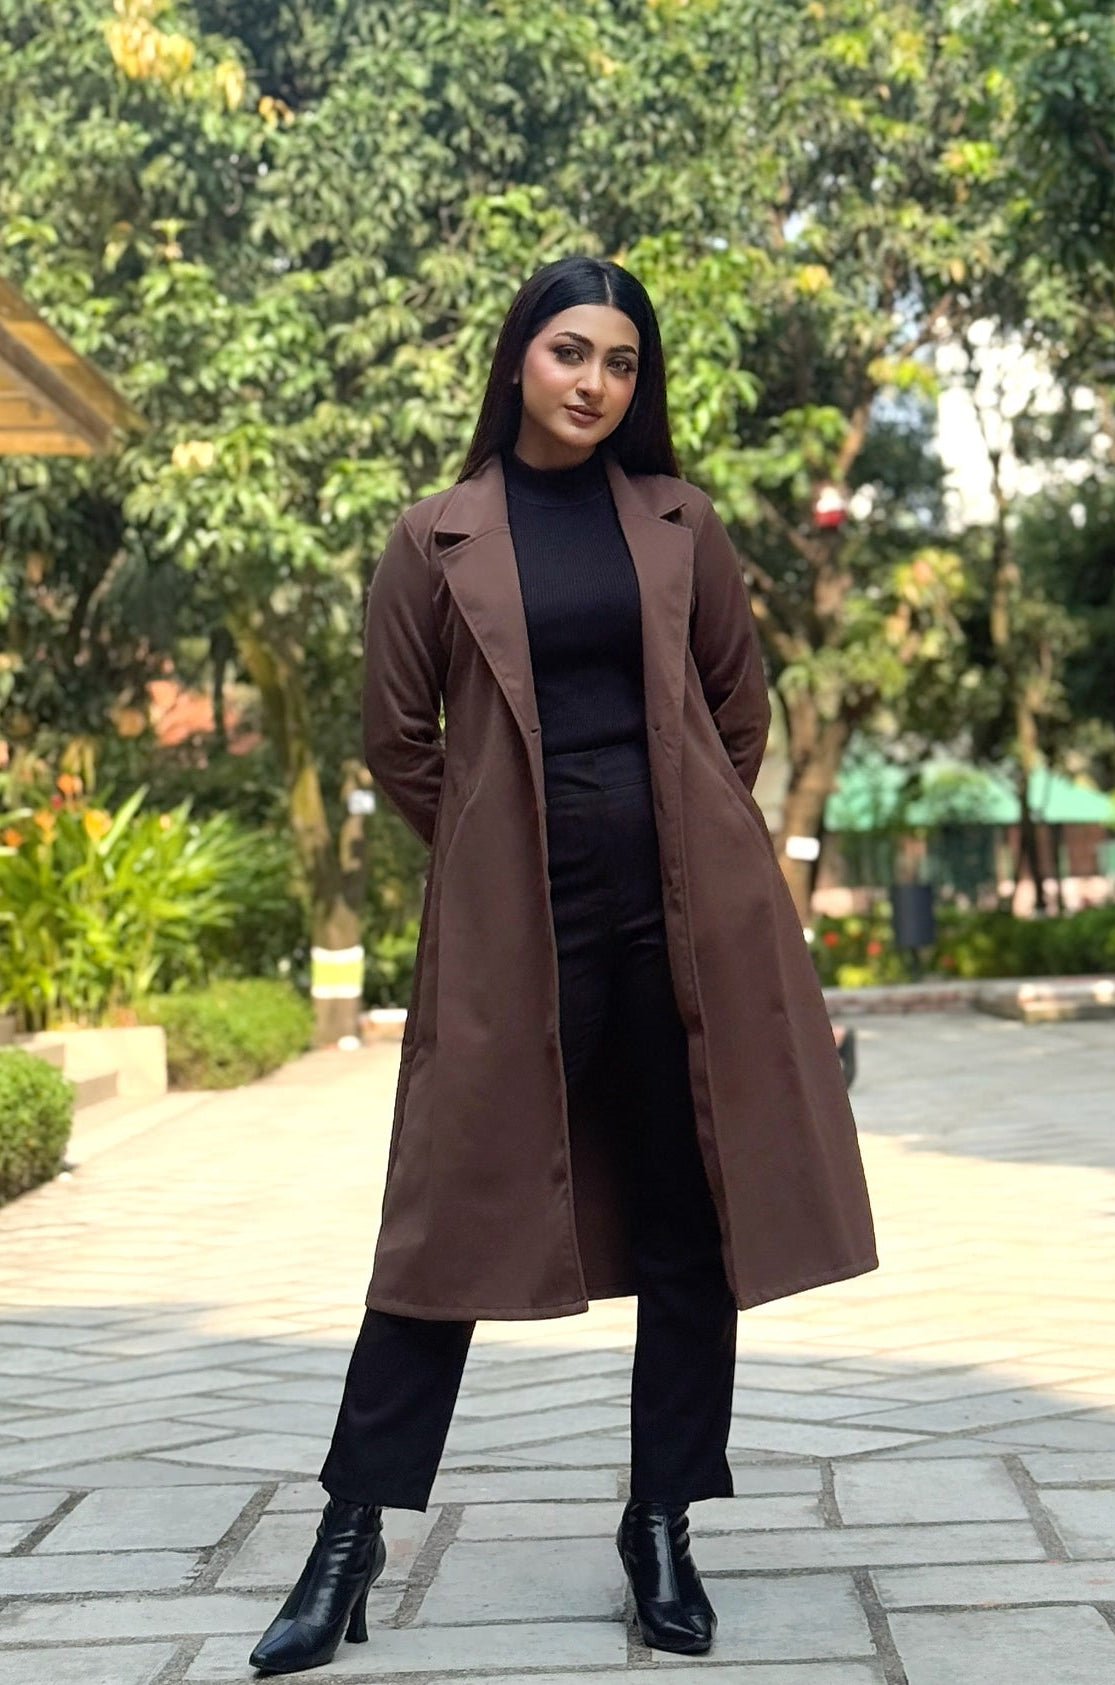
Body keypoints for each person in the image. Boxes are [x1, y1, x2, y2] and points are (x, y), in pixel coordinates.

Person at [249, 256, 877, 1676]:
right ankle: (347, 1540)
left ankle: (661, 1522)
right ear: (517, 359)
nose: (595, 383)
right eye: (570, 352)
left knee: (688, 1223)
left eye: (622, 364)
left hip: (679, 918)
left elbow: (738, 706)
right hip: (517, 923)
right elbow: (398, 737)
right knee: (440, 1228)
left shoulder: (678, 521)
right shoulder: (435, 536)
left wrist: (695, 841)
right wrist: (491, 845)